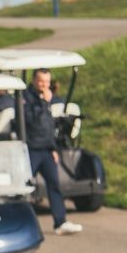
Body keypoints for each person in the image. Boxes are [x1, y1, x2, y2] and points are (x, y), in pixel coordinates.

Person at [24, 69, 81, 234]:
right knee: (24, 187)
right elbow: (32, 122)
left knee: (54, 184)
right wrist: (45, 103)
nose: (45, 85)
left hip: (47, 150)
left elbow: (50, 128)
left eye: (47, 82)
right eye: (41, 81)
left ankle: (60, 222)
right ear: (34, 81)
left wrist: (53, 148)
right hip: (31, 149)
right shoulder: (26, 98)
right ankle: (22, 222)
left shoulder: (50, 100)